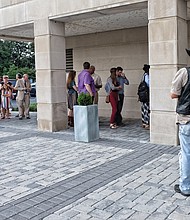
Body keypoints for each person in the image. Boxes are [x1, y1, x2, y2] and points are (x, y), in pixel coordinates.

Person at [171, 48, 190, 197]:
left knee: (186, 154)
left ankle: (186, 187)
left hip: (187, 119)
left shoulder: (184, 72)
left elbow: (174, 94)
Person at [141, 64, 150, 129]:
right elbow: (148, 84)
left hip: (143, 94)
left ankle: (144, 122)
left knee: (144, 108)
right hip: (146, 94)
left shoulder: (143, 76)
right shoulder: (147, 76)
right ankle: (146, 123)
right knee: (146, 109)